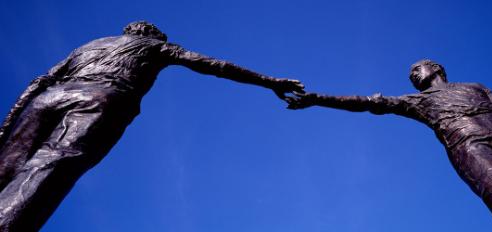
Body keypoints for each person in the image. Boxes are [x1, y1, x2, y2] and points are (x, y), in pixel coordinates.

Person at [0, 21, 304, 231]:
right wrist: (270, 82)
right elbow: (215, 66)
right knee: (52, 164)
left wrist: (8, 124)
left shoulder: (89, 46)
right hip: (102, 97)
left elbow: (39, 82)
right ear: (154, 36)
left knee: (7, 163)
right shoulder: (157, 47)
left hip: (48, 98)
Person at [287, 59, 492, 232]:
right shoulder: (417, 101)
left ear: (436, 68)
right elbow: (366, 103)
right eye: (411, 74)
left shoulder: (476, 88)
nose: (413, 75)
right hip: (471, 146)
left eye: (417, 68)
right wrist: (316, 98)